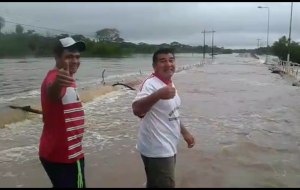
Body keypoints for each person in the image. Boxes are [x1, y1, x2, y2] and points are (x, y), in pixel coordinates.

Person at [132, 48, 195, 188]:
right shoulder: (150, 84)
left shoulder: (169, 83)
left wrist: (185, 133)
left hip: (168, 144)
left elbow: (172, 113)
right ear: (154, 66)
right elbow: (137, 109)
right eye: (163, 61)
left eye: (171, 60)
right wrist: (158, 94)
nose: (168, 64)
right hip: (156, 148)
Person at [39, 37, 87, 188]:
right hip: (65, 156)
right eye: (69, 56)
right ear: (57, 57)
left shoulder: (67, 78)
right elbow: (52, 93)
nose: (74, 61)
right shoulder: (56, 78)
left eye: (77, 57)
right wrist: (59, 83)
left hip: (61, 152)